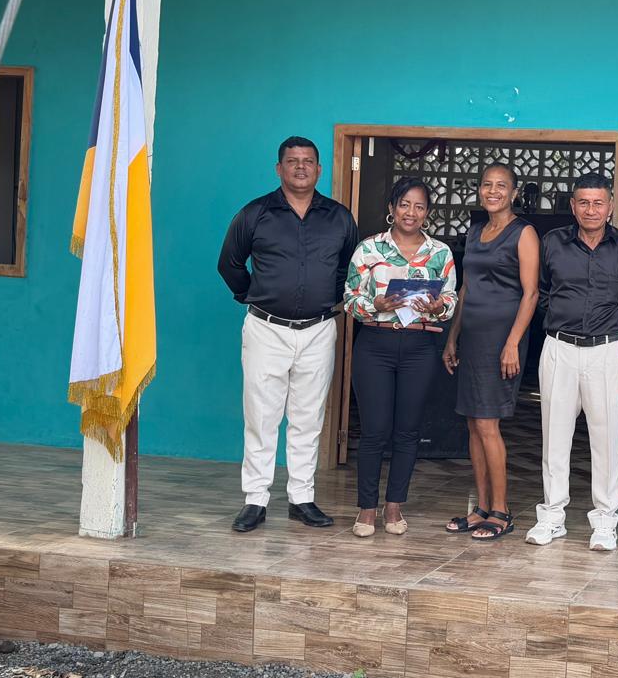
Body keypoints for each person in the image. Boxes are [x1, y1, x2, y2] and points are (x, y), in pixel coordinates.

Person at [218, 136, 358, 533]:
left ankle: (301, 498)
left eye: (308, 161)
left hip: (318, 329)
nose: (300, 167)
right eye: (292, 161)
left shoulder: (339, 217)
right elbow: (229, 263)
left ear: (319, 169)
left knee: (307, 418)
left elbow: (349, 268)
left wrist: (326, 297)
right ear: (279, 168)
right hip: (266, 329)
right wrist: (254, 295)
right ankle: (255, 499)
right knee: (261, 417)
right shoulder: (255, 213)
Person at [527, 173, 618, 551]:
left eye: (598, 203)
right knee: (554, 437)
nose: (591, 210)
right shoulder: (552, 242)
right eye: (583, 202)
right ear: (573, 206)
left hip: (606, 351)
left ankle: (606, 521)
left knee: (607, 439)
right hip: (559, 347)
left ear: (610, 207)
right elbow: (542, 292)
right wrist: (561, 320)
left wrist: (615, 327)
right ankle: (551, 517)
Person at [342, 178, 457, 538]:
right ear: (392, 208)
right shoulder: (369, 249)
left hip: (419, 346)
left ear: (427, 213)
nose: (411, 212)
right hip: (375, 344)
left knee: (408, 430)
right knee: (374, 430)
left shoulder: (440, 253)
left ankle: (394, 506)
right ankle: (366, 508)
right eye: (404, 204)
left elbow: (452, 300)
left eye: (419, 206)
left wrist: (438, 307)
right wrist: (374, 304)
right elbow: (349, 298)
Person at [442, 163, 540, 541]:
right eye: (487, 184)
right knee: (472, 422)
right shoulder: (476, 231)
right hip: (472, 337)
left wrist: (513, 342)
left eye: (502, 186)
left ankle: (501, 511)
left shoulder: (523, 233)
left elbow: (531, 293)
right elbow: (466, 289)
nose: (493, 191)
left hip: (502, 340)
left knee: (487, 423)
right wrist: (453, 337)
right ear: (479, 189)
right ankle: (481, 507)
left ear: (513, 193)